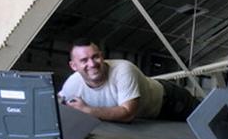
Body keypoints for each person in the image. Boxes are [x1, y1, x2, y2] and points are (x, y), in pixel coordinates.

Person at [59, 38, 199, 123]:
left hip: (171, 100)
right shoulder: (72, 85)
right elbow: (56, 106)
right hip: (149, 116)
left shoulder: (124, 70)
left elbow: (128, 114)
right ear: (73, 66)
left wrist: (87, 110)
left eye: (95, 57)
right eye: (84, 60)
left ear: (102, 56)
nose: (92, 64)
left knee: (211, 117)